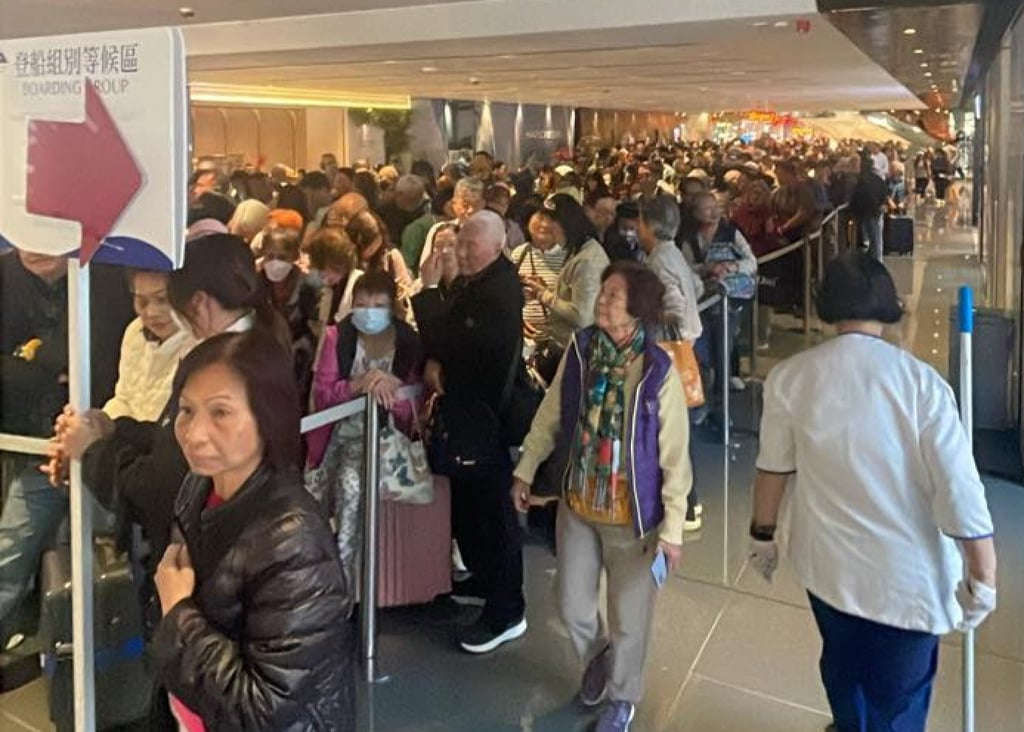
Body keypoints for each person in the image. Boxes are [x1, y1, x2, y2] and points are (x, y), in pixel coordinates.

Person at [748, 252, 997, 732]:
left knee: (843, 668)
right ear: (889, 303)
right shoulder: (921, 385)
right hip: (904, 582)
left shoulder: (790, 378)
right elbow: (958, 487)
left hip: (826, 570)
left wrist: (763, 535)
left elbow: (773, 469)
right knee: (897, 700)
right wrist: (982, 573)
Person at [512, 261, 692, 732]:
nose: (603, 300)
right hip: (578, 503)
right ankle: (598, 657)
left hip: (633, 517)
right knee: (571, 603)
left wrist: (671, 531)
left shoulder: (657, 371)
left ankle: (622, 697)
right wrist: (527, 468)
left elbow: (675, 458)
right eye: (605, 292)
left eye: (614, 294)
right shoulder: (581, 348)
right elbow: (552, 414)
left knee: (630, 619)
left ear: (637, 310)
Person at [152, 330, 355, 731]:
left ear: (268, 417)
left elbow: (261, 710)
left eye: (220, 413)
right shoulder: (200, 483)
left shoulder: (292, 539)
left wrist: (178, 615)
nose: (193, 434)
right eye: (186, 410)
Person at [0, 251, 132, 640]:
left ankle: (88, 650)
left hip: (104, 445)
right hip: (36, 442)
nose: (35, 250)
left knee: (97, 556)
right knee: (14, 544)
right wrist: (44, 370)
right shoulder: (7, 275)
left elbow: (113, 360)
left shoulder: (110, 279)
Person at [412, 210, 527, 654]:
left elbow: (457, 343)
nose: (460, 251)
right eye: (459, 242)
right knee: (470, 509)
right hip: (468, 415)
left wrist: (427, 291)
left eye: (470, 245)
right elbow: (450, 339)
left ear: (496, 246)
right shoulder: (477, 281)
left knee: (492, 514)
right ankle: (483, 577)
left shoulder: (499, 291)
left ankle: (507, 609)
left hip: (484, 419)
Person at [307, 270, 451, 607]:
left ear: (392, 308)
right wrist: (361, 383)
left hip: (386, 440)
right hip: (339, 435)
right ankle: (333, 587)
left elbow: (415, 401)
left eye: (378, 304)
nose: (368, 311)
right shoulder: (336, 338)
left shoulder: (409, 343)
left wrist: (392, 391)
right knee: (334, 493)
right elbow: (323, 394)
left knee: (353, 486)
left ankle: (349, 591)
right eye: (361, 304)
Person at [637, 197, 704, 530]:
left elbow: (674, 305)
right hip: (684, 345)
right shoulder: (672, 253)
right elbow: (696, 286)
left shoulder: (659, 260)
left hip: (669, 350)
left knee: (672, 431)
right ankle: (692, 502)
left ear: (648, 224)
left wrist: (652, 312)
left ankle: (685, 506)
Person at [522, 194, 610, 361]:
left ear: (567, 226)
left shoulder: (587, 261)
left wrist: (544, 295)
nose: (553, 238)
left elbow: (582, 316)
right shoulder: (580, 252)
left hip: (576, 351)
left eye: (553, 230)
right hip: (568, 346)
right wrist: (546, 290)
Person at [259, 227, 320, 405]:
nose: (275, 263)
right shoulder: (256, 285)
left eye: (282, 257)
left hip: (300, 366)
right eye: (270, 257)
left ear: (294, 256)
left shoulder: (309, 287)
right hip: (263, 364)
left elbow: (315, 330)